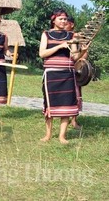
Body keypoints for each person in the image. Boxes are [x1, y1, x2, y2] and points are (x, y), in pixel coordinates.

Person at [39, 10, 86, 144]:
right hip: (51, 73)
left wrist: (82, 50)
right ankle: (48, 135)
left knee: (67, 104)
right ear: (53, 20)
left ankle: (62, 136)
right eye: (60, 19)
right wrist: (60, 46)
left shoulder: (72, 35)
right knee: (49, 105)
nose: (63, 21)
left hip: (67, 73)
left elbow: (75, 57)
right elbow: (42, 53)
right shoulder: (46, 34)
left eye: (65, 19)